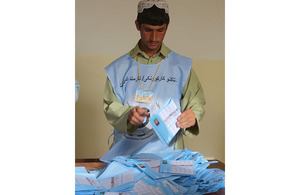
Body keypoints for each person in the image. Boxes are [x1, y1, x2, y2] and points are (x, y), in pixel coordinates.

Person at [101, 0, 206, 161]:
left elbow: (196, 102)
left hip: (169, 155)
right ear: (137, 25)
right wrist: (127, 114)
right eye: (148, 30)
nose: (154, 37)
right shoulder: (118, 69)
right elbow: (110, 106)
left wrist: (193, 115)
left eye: (160, 30)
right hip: (126, 156)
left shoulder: (181, 67)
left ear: (167, 26)